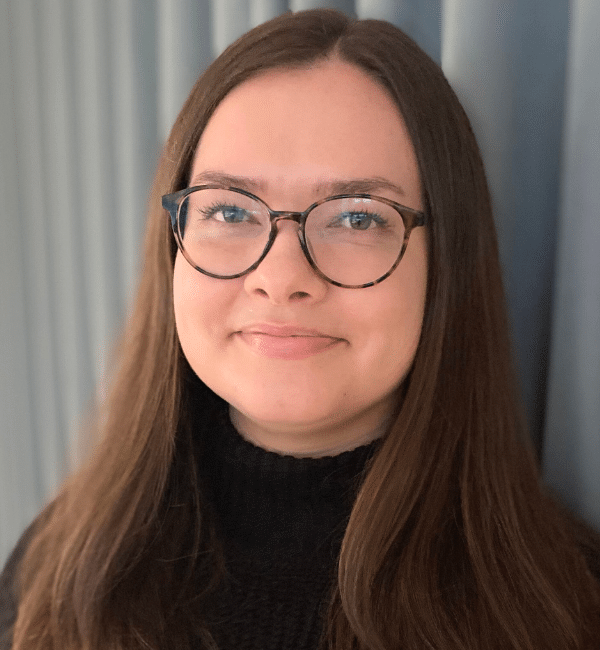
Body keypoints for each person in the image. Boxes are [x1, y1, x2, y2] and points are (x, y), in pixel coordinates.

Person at [1, 8, 599, 650]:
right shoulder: (56, 571)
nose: (282, 277)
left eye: (358, 219)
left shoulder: (567, 606)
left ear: (447, 262)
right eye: (230, 211)